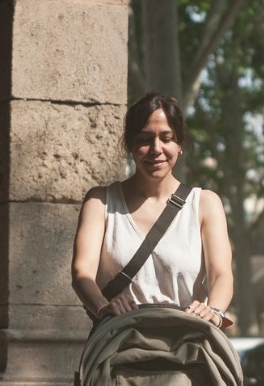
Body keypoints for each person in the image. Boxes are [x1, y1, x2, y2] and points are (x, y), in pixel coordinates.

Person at [71, 92, 234, 328]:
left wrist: (215, 311)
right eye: (144, 139)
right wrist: (102, 307)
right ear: (130, 145)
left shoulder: (206, 203)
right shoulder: (100, 202)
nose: (156, 148)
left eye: (166, 138)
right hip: (120, 345)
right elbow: (81, 272)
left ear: (179, 145)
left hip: (187, 345)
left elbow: (221, 274)